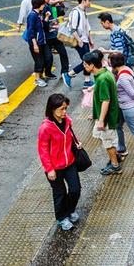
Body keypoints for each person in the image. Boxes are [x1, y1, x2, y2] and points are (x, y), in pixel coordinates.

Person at [37, 93, 82, 231]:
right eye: (61, 109)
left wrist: (76, 142)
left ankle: (69, 210)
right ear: (52, 109)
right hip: (54, 167)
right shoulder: (46, 127)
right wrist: (49, 169)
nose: (64, 112)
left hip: (69, 162)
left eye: (65, 108)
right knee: (60, 193)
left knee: (75, 189)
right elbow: (42, 149)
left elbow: (69, 135)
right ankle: (61, 218)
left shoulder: (67, 120)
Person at [84, 51, 122, 175]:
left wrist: (101, 120)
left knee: (108, 142)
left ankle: (115, 165)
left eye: (85, 64)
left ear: (92, 65)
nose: (84, 67)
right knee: (107, 140)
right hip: (109, 116)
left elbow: (106, 100)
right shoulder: (105, 72)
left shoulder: (102, 79)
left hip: (107, 118)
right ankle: (115, 157)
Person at [38, 0, 72, 88]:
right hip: (46, 37)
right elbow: (42, 24)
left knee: (63, 52)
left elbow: (53, 18)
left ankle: (64, 71)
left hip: (54, 35)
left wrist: (55, 23)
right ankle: (47, 72)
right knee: (48, 57)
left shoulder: (48, 6)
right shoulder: (39, 10)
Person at [67, 0, 95, 87]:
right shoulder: (76, 12)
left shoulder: (83, 11)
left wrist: (90, 39)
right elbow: (73, 29)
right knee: (87, 61)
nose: (90, 3)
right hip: (80, 41)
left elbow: (87, 27)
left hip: (85, 40)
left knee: (87, 61)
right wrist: (79, 40)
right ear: (83, 1)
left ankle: (87, 81)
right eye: (89, 0)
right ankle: (69, 74)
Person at [25, 0, 51, 87]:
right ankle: (37, 79)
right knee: (39, 61)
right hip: (36, 43)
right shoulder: (32, 16)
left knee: (45, 59)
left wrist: (47, 17)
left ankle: (40, 77)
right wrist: (34, 44)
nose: (44, 6)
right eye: (43, 4)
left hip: (42, 41)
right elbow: (30, 31)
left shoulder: (38, 14)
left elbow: (42, 25)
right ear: (38, 5)